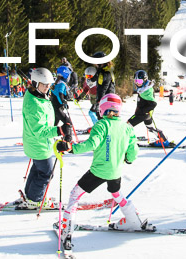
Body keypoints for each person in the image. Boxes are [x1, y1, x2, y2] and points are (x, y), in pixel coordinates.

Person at [55, 93, 143, 253]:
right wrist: (129, 159)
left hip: (98, 171)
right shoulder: (127, 127)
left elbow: (91, 144)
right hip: (115, 171)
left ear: (103, 109)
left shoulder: (101, 125)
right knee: (117, 194)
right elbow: (133, 149)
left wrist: (71, 147)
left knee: (75, 194)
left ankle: (67, 231)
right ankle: (133, 221)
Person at [19, 68, 68, 207]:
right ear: (35, 83)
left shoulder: (37, 95)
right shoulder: (34, 104)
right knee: (46, 173)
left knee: (38, 169)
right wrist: (59, 130)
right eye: (44, 84)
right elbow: (39, 131)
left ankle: (30, 195)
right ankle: (35, 200)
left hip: (37, 144)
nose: (48, 87)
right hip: (39, 144)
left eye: (49, 84)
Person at [129, 70, 168, 144]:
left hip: (142, 114)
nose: (137, 83)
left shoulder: (145, 91)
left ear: (144, 80)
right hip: (147, 114)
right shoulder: (145, 87)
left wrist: (143, 111)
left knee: (127, 125)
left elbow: (153, 103)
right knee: (150, 127)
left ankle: (124, 140)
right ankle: (163, 138)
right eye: (136, 81)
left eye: (139, 81)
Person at [51, 66, 75, 137]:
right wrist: (63, 102)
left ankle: (50, 138)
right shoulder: (61, 84)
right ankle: (68, 139)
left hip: (55, 108)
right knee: (68, 123)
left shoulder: (56, 83)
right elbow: (60, 94)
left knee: (55, 123)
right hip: (58, 108)